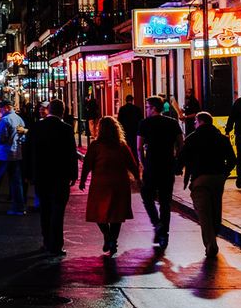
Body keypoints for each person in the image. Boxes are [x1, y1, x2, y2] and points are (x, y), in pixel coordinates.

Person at [179, 112, 237, 259]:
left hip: (200, 180)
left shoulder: (192, 139)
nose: (194, 124)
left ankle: (211, 243)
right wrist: (224, 173)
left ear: (200, 122)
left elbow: (181, 159)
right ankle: (214, 234)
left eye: (195, 122)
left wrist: (177, 169)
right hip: (218, 179)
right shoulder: (222, 139)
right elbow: (232, 159)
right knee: (216, 210)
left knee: (204, 213)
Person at [79, 116, 139, 256]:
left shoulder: (96, 146)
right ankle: (112, 239)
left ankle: (108, 236)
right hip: (119, 183)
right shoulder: (121, 145)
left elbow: (88, 163)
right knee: (116, 215)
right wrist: (137, 178)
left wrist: (82, 180)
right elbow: (131, 163)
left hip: (101, 183)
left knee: (98, 213)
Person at [24, 98, 77, 256]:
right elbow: (71, 154)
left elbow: (27, 152)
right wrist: (73, 174)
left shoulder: (36, 127)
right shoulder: (66, 129)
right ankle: (56, 245)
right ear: (63, 112)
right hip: (60, 176)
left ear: (49, 110)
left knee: (45, 210)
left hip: (41, 175)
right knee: (58, 211)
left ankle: (47, 241)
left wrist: (27, 173)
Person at [137, 96, 185, 250]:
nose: (146, 109)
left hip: (151, 165)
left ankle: (156, 223)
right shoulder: (172, 123)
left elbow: (139, 147)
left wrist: (143, 163)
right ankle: (164, 234)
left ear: (153, 108)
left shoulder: (144, 123)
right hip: (167, 165)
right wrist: (177, 160)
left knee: (147, 196)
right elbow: (180, 143)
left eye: (147, 107)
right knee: (165, 202)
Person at [117, 94, 144, 161]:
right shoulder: (137, 109)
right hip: (135, 130)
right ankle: (135, 161)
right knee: (134, 147)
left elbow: (119, 121)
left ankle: (127, 160)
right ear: (132, 100)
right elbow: (141, 120)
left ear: (125, 100)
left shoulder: (122, 109)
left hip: (125, 131)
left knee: (126, 146)